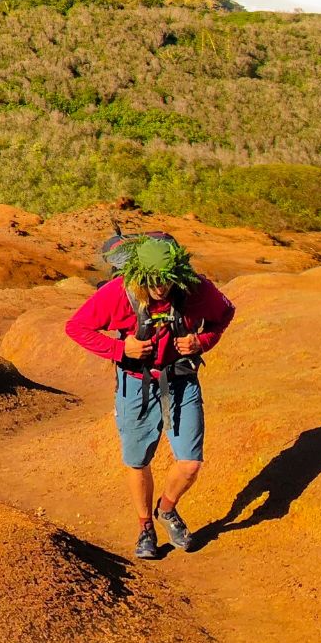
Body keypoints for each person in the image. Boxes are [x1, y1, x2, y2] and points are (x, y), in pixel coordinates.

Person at [63, 234, 235, 559]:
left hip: (181, 380)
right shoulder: (117, 294)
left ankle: (166, 509)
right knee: (138, 461)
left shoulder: (195, 289)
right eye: (152, 281)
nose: (160, 287)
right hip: (135, 384)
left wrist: (204, 341)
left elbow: (225, 313)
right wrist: (119, 349)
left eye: (167, 281)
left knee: (190, 463)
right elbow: (76, 327)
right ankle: (145, 527)